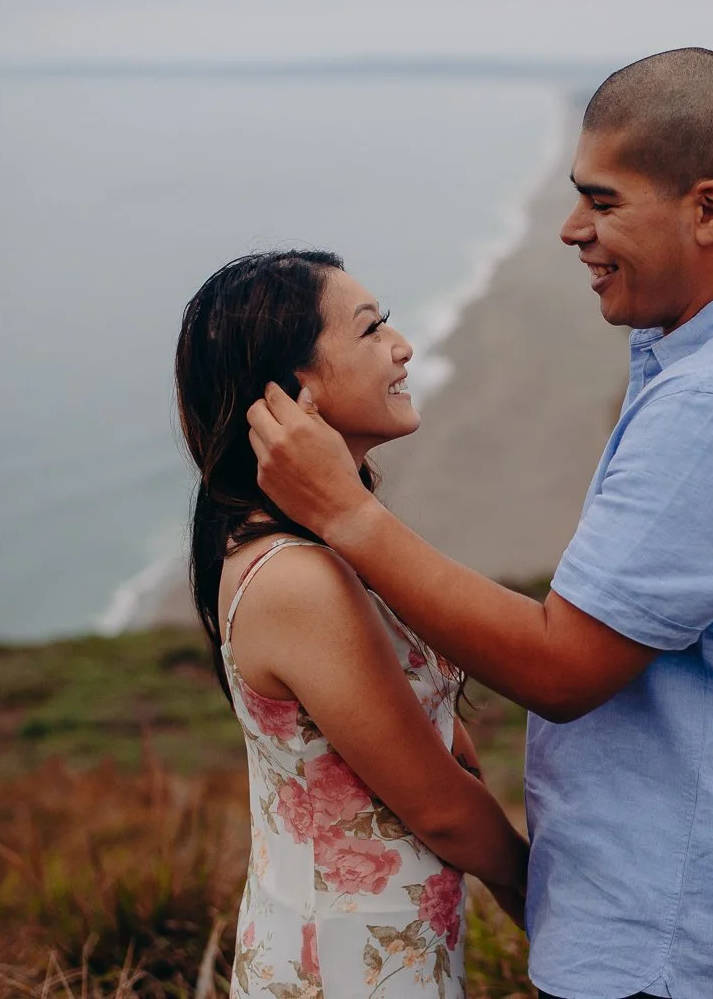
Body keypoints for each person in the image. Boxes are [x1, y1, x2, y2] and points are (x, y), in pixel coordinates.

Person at [247, 48, 713, 998]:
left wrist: (345, 512)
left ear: (710, 211)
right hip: (679, 927)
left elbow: (560, 667)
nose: (572, 230)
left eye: (604, 202)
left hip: (666, 948)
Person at [175, 251, 528, 998]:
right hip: (344, 963)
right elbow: (439, 809)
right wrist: (551, 902)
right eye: (371, 331)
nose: (401, 346)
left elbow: (424, 733)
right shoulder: (298, 580)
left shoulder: (312, 537)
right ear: (296, 391)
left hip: (370, 944)